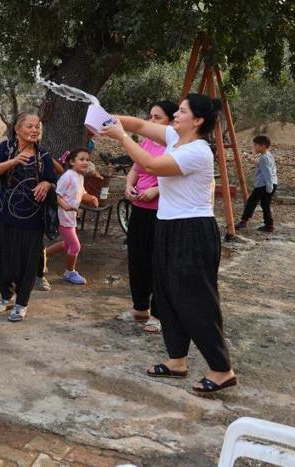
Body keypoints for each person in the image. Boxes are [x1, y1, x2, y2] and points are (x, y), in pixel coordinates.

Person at [102, 93, 236, 394]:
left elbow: (150, 164)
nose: (176, 114)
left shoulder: (198, 152)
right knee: (166, 295)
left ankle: (221, 368)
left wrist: (121, 137)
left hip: (192, 231)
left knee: (195, 299)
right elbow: (138, 123)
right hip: (168, 225)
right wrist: (104, 118)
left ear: (198, 120)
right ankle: (177, 360)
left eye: (183, 111)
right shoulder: (176, 136)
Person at [0, 110, 56, 322]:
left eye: (37, 127)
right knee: (1, 258)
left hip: (31, 220)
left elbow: (52, 180)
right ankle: (6, 296)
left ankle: (22, 303)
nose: (34, 130)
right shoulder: (6, 149)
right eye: (30, 126)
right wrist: (12, 162)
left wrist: (46, 183)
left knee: (27, 262)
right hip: (3, 215)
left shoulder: (43, 156)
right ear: (17, 129)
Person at [115, 100, 177, 334]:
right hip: (140, 209)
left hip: (162, 212)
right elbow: (136, 168)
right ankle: (140, 307)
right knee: (137, 258)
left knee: (158, 262)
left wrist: (156, 190)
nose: (151, 122)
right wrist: (129, 184)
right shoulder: (147, 141)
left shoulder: (175, 145)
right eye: (150, 117)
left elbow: (174, 176)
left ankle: (159, 314)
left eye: (157, 118)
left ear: (171, 122)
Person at [46, 149, 99, 285]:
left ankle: (41, 255)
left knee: (67, 244)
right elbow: (56, 194)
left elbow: (82, 194)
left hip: (71, 217)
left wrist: (91, 197)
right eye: (81, 159)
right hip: (63, 217)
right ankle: (69, 272)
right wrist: (65, 206)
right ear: (71, 161)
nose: (85, 162)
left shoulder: (79, 176)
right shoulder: (68, 175)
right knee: (75, 246)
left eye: (87, 160)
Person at [237, 135, 278, 232]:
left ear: (263, 146)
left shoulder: (263, 158)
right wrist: (256, 162)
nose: (254, 147)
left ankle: (243, 222)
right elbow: (267, 167)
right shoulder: (268, 155)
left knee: (251, 202)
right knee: (265, 205)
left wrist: (269, 188)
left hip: (264, 185)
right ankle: (269, 225)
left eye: (256, 145)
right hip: (272, 183)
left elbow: (267, 173)